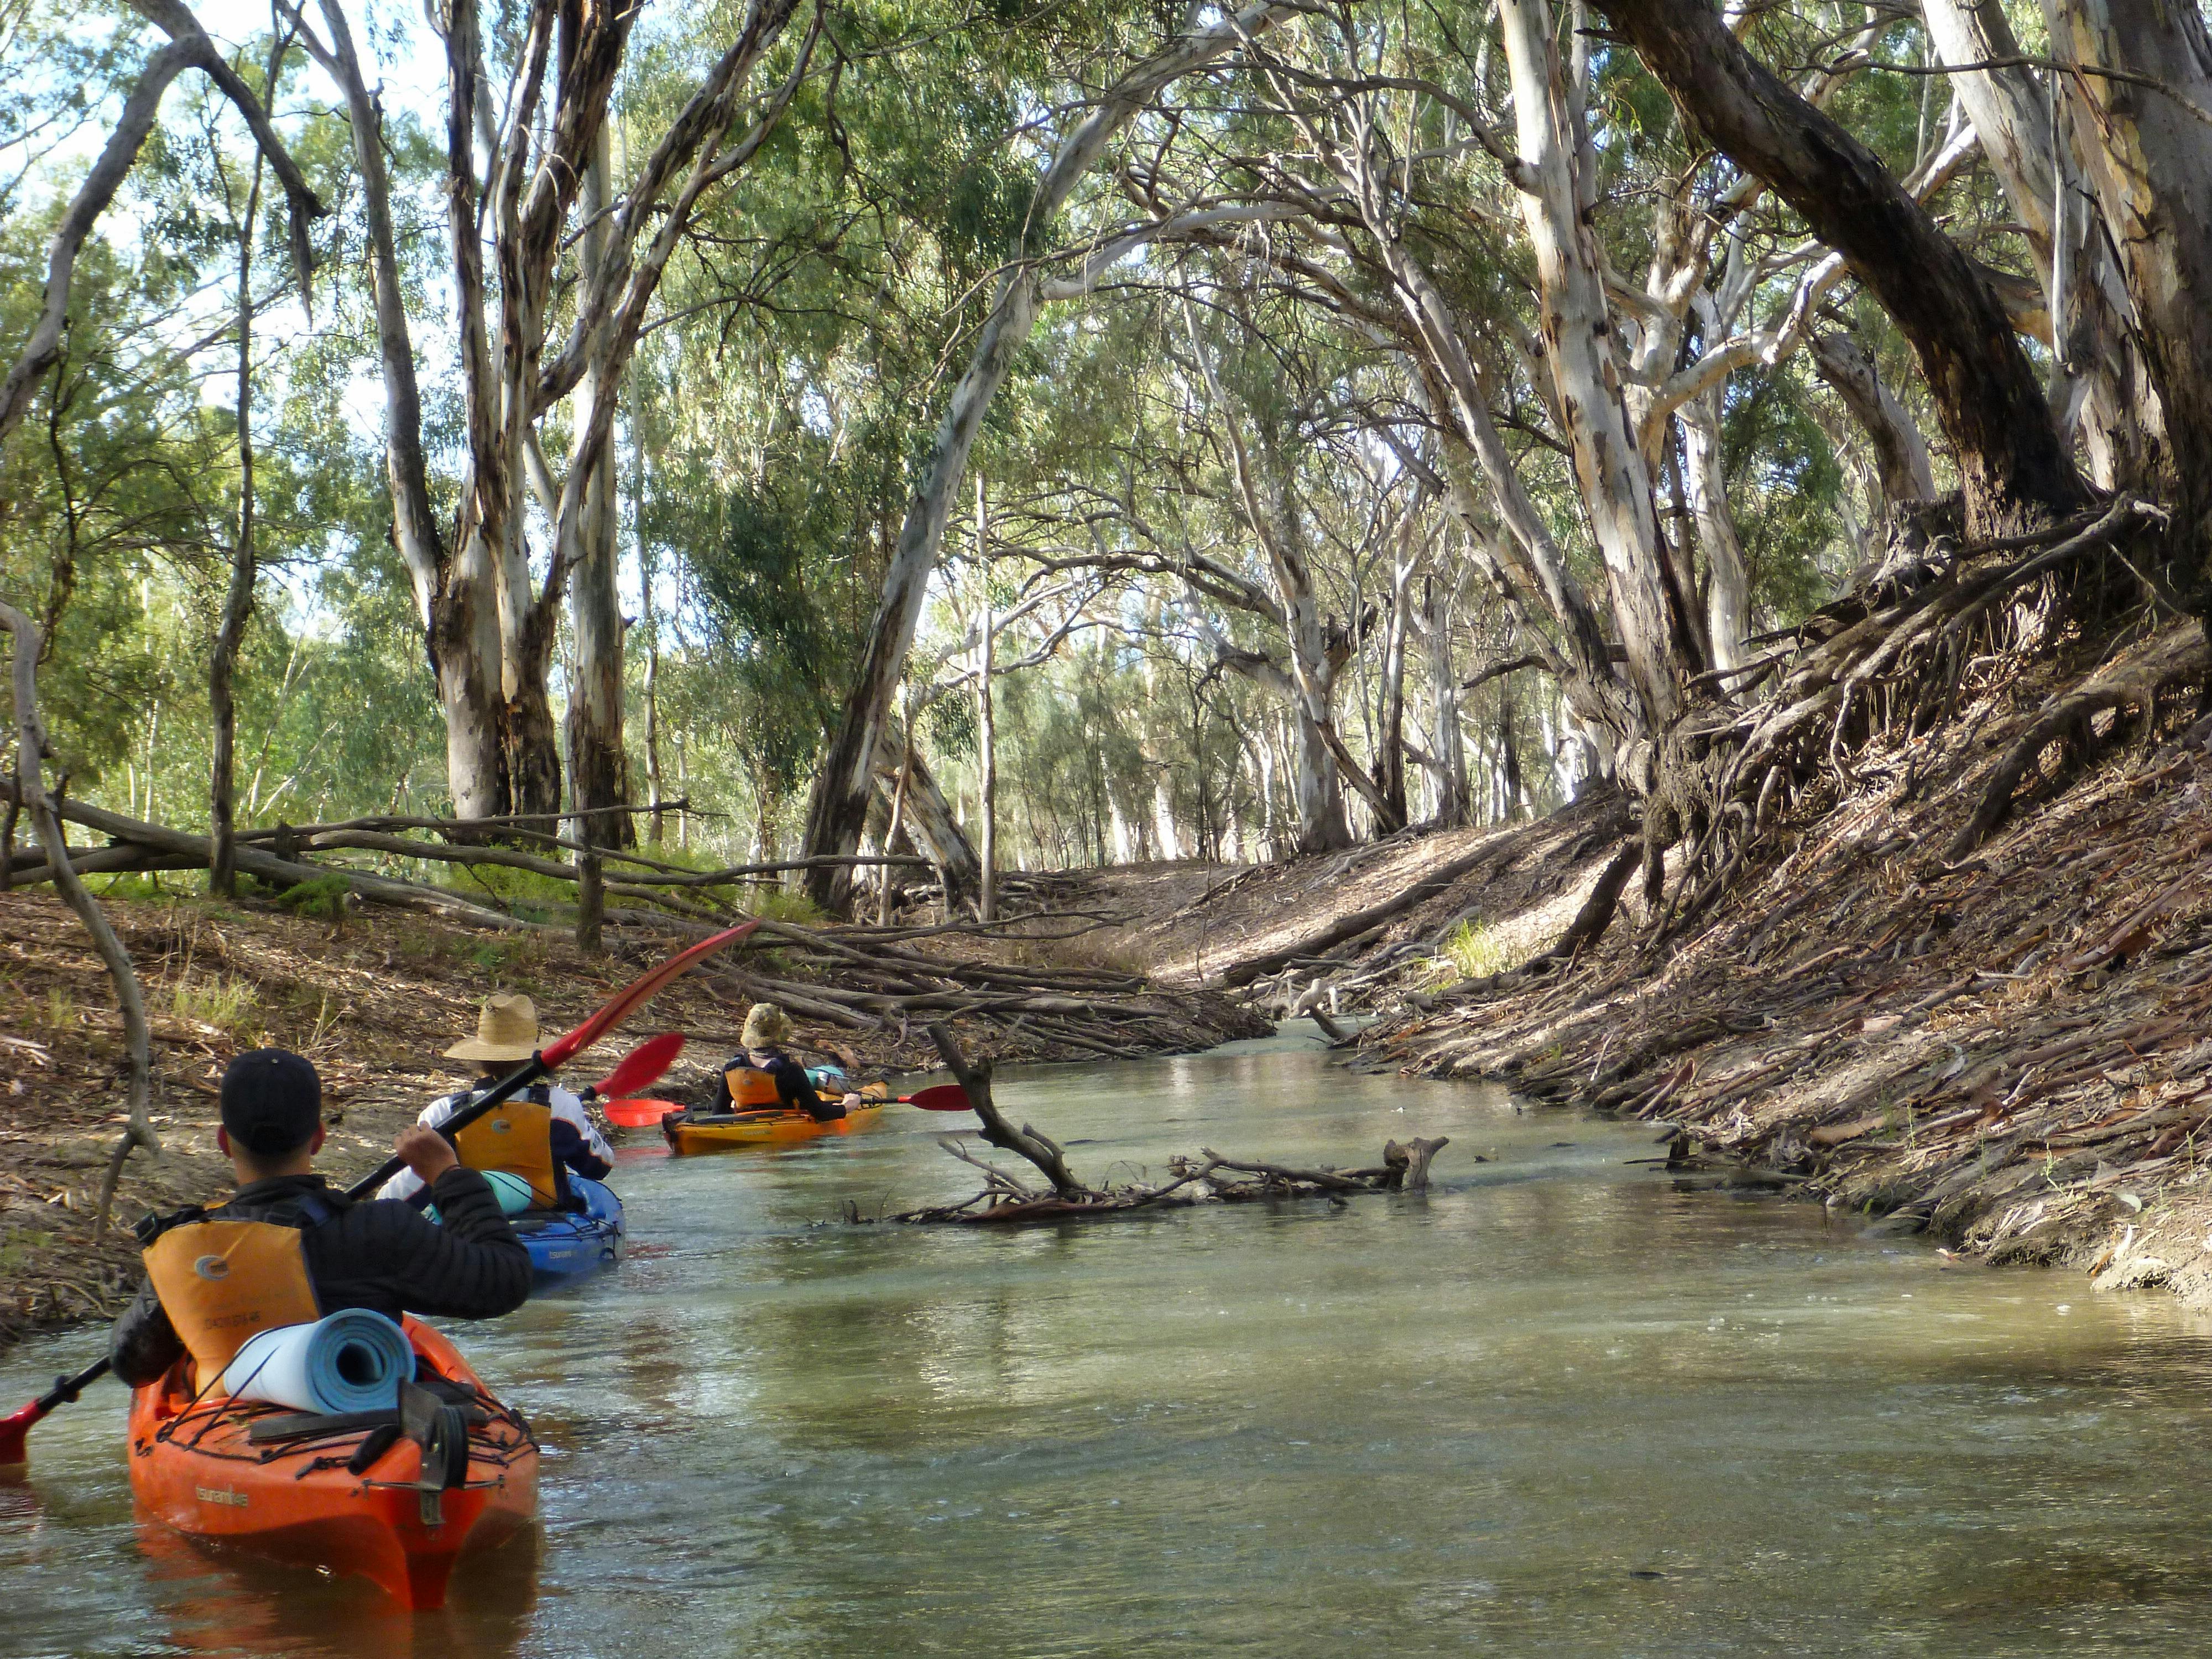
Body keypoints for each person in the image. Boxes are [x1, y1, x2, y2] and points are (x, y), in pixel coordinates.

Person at [113, 1048, 531, 1390]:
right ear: (318, 1137)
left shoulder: (184, 1250)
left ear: (225, 1142)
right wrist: (448, 1176)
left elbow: (132, 1365)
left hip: (226, 1431)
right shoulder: (380, 1230)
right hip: (364, 1428)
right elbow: (505, 1281)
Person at [379, 993, 614, 1211]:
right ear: (534, 1055)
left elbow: (404, 1196)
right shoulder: (562, 1105)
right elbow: (600, 1166)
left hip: (471, 1227)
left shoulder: (442, 1113)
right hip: (547, 1223)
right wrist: (586, 1125)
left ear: (479, 1058)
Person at [707, 1003, 862, 1122]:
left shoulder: (732, 1067)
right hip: (783, 1124)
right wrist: (847, 1106)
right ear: (779, 1033)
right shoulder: (790, 1070)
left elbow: (718, 1114)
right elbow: (820, 1113)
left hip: (745, 1123)